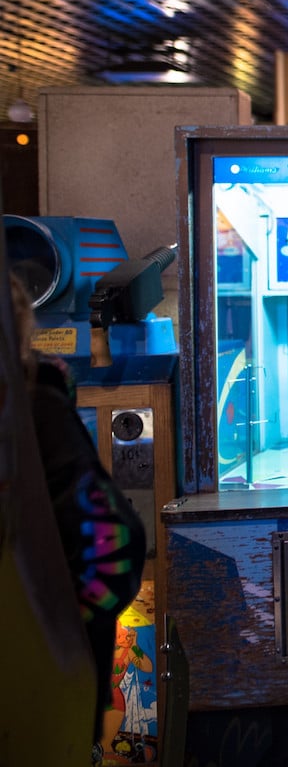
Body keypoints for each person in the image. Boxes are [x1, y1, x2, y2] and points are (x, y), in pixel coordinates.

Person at [9, 273, 146, 745]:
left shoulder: (31, 410)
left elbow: (110, 544)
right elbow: (115, 548)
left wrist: (55, 641)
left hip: (33, 701)